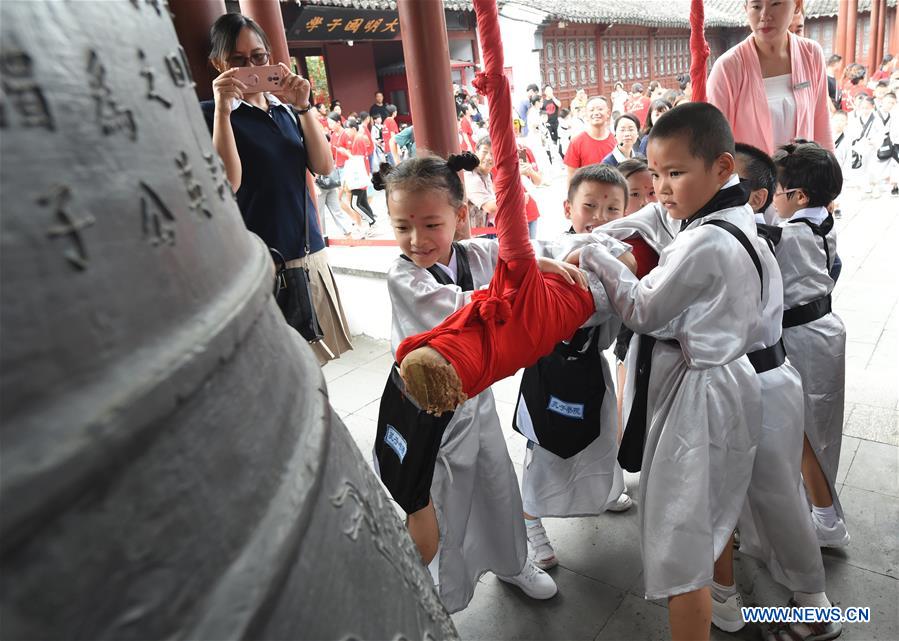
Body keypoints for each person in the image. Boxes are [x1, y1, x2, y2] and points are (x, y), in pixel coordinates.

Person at [567, 102, 764, 641]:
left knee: (679, 541)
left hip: (700, 393)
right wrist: (605, 235)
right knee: (711, 510)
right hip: (733, 379)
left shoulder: (704, 239)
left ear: (723, 168)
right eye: (654, 175)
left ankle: (713, 609)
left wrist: (593, 253)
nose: (661, 188)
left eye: (674, 173)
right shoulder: (732, 214)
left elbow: (644, 309)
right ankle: (728, 601)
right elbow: (650, 219)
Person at [377, 154, 566, 613]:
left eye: (430, 224)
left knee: (497, 484)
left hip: (476, 402)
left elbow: (514, 261)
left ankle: (513, 562)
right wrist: (522, 290)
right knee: (446, 501)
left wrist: (545, 266)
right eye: (403, 226)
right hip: (432, 415)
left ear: (461, 217)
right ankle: (439, 590)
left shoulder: (477, 253)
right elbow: (469, 311)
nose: (416, 240)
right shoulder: (404, 277)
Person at [709, 143, 839, 641]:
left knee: (771, 491)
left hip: (754, 380)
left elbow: (650, 309)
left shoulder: (744, 237)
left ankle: (812, 608)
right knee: (769, 489)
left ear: (755, 194)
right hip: (767, 376)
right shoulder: (754, 230)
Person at [203, 13, 351, 364]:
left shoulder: (285, 111)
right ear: (217, 64)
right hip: (263, 263)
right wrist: (223, 111)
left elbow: (323, 166)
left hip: (307, 249)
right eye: (237, 61)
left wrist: (304, 106)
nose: (250, 68)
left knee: (316, 361)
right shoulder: (212, 114)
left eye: (258, 57)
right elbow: (227, 183)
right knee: (280, 367)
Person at [520, 164, 636, 571]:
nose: (599, 218)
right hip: (550, 368)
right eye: (589, 206)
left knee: (602, 434)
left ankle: (605, 491)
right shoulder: (548, 250)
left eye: (611, 209)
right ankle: (530, 523)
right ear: (569, 208)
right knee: (545, 448)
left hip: (591, 365)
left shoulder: (621, 255)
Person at [772, 142, 848, 551]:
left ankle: (826, 519)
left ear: (799, 196)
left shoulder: (786, 235)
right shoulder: (824, 220)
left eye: (777, 190)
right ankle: (821, 509)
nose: (772, 199)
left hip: (802, 337)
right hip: (825, 330)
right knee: (821, 425)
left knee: (804, 433)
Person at [708, 0, 833, 154]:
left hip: (804, 176)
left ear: (797, 5)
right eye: (756, 6)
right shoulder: (728, 67)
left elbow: (821, 123)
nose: (765, 16)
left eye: (775, 4)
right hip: (750, 177)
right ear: (746, 9)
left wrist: (829, 175)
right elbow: (717, 143)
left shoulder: (811, 54)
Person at [564, 97, 617, 183]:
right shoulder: (576, 142)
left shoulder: (616, 141)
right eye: (591, 110)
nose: (596, 113)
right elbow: (571, 176)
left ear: (608, 113)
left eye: (600, 109)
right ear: (586, 115)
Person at [464, 138, 498, 230]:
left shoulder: (488, 175)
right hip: (470, 237)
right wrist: (517, 199)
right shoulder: (471, 176)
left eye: (492, 153)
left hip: (483, 231)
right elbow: (490, 207)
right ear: (476, 153)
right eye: (485, 152)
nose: (488, 157)